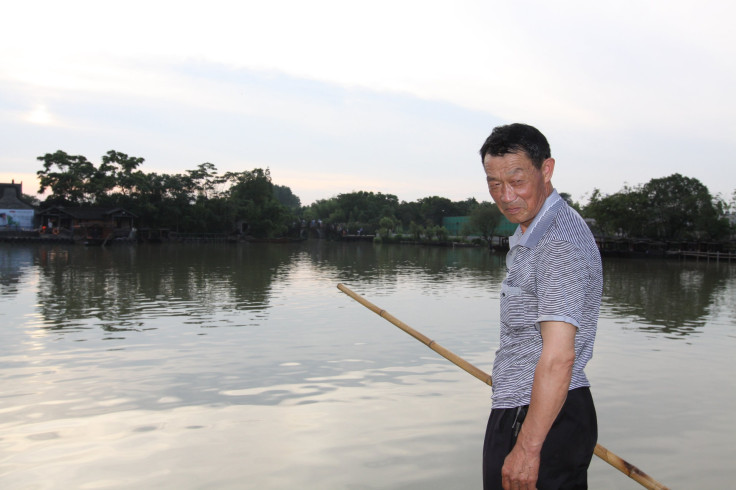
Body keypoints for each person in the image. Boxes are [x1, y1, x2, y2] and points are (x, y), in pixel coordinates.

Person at [479, 123, 602, 489]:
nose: (505, 195)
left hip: (538, 420)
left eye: (517, 181)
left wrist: (528, 448)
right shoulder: (530, 231)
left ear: (546, 170)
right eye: (494, 183)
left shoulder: (558, 242)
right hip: (527, 410)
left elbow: (560, 356)